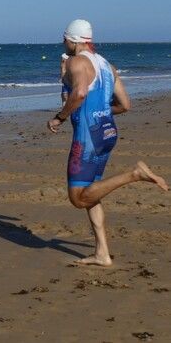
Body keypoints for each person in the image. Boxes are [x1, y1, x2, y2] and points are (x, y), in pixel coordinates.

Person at [47, 19, 167, 266]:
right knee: (91, 192)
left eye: (64, 38)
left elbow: (80, 93)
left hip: (88, 138)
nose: (63, 42)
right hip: (107, 132)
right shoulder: (106, 65)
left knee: (78, 198)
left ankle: (135, 174)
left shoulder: (77, 62)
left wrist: (60, 117)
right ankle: (102, 253)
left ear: (73, 40)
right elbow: (124, 105)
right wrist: (99, 110)